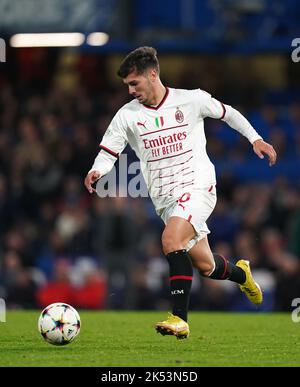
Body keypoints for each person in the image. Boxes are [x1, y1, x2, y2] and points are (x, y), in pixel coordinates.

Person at [84, 47, 277, 339]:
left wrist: (256, 139)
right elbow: (109, 150)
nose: (131, 90)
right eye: (127, 86)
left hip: (198, 186)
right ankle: (242, 274)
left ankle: (179, 319)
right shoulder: (127, 116)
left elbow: (228, 114)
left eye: (134, 83)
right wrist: (97, 170)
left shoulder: (191, 99)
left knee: (171, 240)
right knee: (206, 265)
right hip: (166, 201)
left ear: (152, 74)